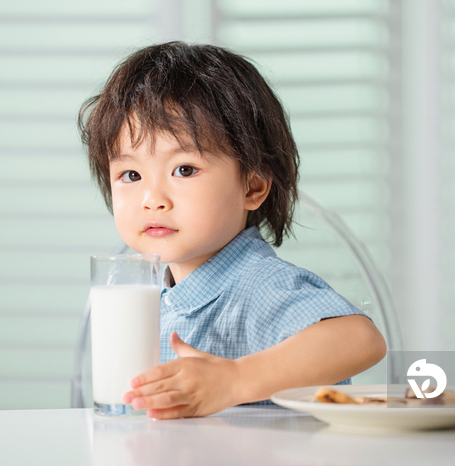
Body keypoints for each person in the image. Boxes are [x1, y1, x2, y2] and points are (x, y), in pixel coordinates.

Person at [78, 41, 387, 419]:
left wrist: (235, 379)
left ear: (252, 187)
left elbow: (360, 340)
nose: (151, 199)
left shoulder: (257, 286)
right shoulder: (152, 294)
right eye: (131, 175)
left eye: (184, 170)